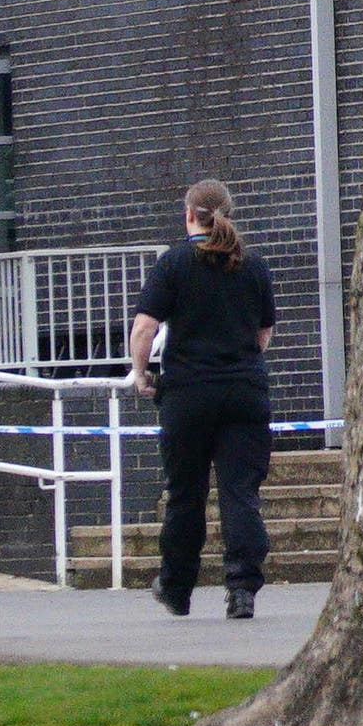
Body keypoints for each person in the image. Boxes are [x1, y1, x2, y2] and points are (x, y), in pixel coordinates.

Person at [128, 177, 277, 619]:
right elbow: (264, 332)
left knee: (185, 494)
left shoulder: (173, 264)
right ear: (228, 214)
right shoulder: (253, 266)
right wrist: (241, 362)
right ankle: (242, 589)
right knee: (240, 492)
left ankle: (176, 588)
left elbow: (144, 328)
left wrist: (140, 373)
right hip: (244, 394)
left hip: (188, 395)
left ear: (190, 214)